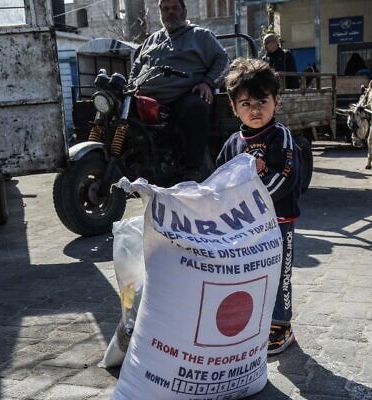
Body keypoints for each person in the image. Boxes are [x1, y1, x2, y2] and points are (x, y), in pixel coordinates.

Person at [216, 58, 301, 355]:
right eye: (246, 103)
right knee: (251, 273)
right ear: (233, 107)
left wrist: (254, 205)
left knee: (280, 273)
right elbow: (220, 182)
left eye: (262, 101)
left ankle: (281, 326)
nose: (255, 109)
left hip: (279, 221)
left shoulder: (281, 137)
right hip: (246, 226)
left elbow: (286, 177)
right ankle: (256, 322)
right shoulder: (232, 144)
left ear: (276, 103)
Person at [127, 0, 228, 180]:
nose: (170, 13)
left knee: (195, 107)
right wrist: (130, 86)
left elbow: (222, 60)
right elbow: (136, 67)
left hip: (182, 96)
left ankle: (192, 169)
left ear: (184, 11)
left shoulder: (200, 35)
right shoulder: (152, 39)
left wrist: (208, 83)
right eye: (165, 9)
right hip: (147, 99)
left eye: (175, 8)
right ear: (160, 14)